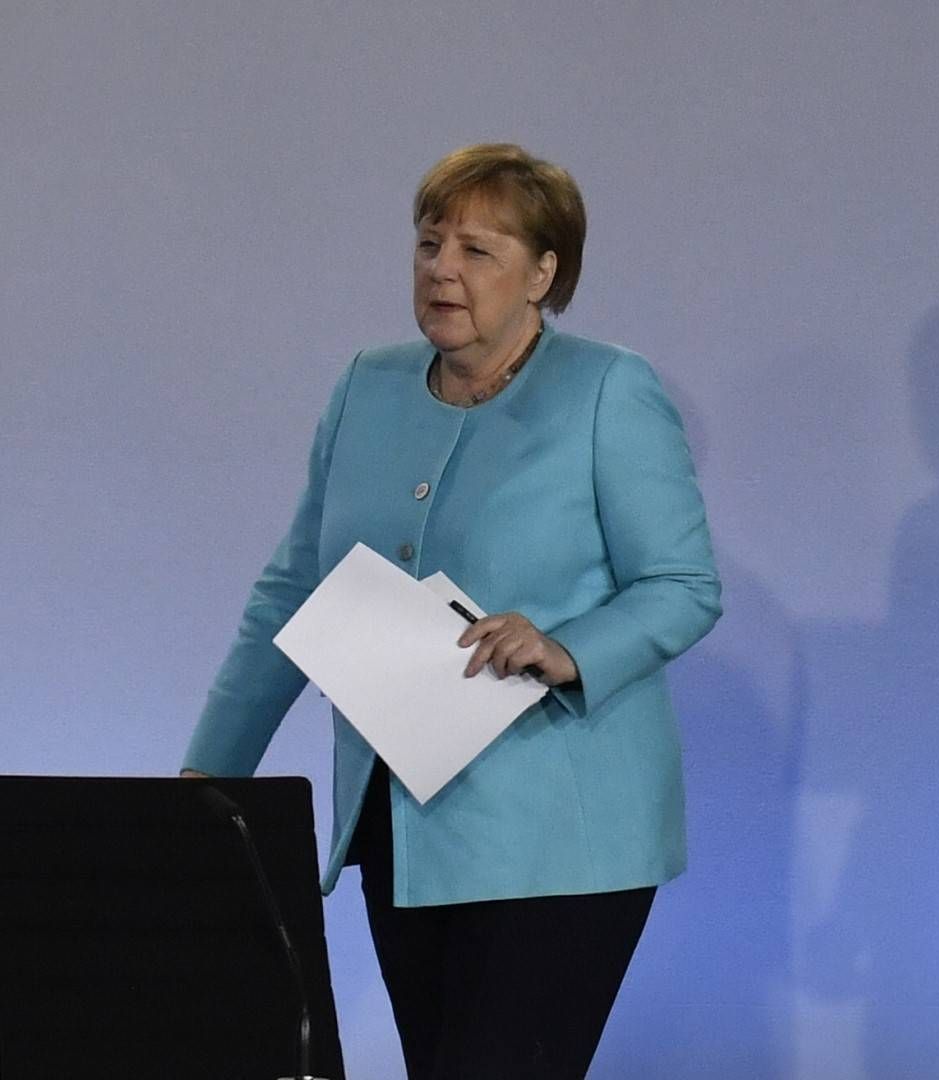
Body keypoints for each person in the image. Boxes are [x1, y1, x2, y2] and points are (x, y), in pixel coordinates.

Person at [181, 143, 722, 1079]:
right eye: (430, 243)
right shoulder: (367, 384)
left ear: (543, 273)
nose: (441, 268)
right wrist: (206, 781)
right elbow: (291, 594)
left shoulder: (607, 389)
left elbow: (683, 585)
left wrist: (563, 645)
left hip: (561, 839)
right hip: (402, 830)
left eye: (477, 249)